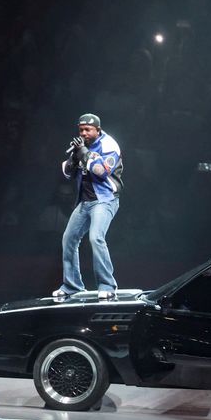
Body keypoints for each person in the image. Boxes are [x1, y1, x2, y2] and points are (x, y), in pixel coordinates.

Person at [53, 113, 124, 301]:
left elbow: (101, 171)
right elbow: (68, 174)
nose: (84, 133)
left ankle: (107, 285)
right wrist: (74, 158)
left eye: (88, 130)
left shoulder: (109, 145)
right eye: (81, 130)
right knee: (68, 239)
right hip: (85, 201)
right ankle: (72, 285)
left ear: (97, 130)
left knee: (96, 238)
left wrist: (83, 152)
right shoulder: (79, 146)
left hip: (104, 200)